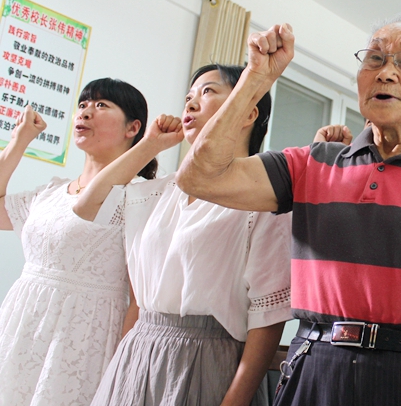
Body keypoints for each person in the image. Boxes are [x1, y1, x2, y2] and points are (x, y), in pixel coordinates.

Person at [175, 11, 401, 406]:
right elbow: (199, 177)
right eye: (374, 59)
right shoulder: (311, 163)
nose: (385, 73)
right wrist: (256, 79)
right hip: (314, 368)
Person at [72, 64, 291, 406]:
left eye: (207, 91)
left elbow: (268, 317)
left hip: (208, 360)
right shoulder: (156, 193)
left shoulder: (264, 201)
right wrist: (149, 145)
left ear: (248, 113)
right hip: (138, 353)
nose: (190, 103)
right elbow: (87, 207)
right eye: (189, 96)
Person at [0, 78, 153, 406]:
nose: (85, 112)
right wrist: (19, 141)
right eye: (83, 104)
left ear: (133, 128)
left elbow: (139, 300)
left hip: (81, 342)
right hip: (20, 328)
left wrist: (121, 369)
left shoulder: (141, 196)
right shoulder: (52, 192)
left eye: (101, 105)